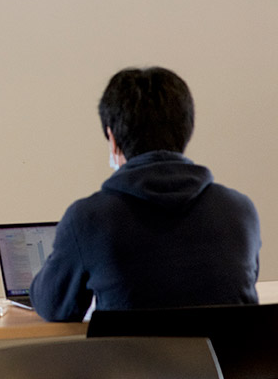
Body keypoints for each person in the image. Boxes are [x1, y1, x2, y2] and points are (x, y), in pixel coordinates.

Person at [30, 66, 261, 322]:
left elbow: (53, 305)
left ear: (112, 138)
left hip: (130, 363)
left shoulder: (88, 219)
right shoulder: (240, 211)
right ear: (187, 130)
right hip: (225, 362)